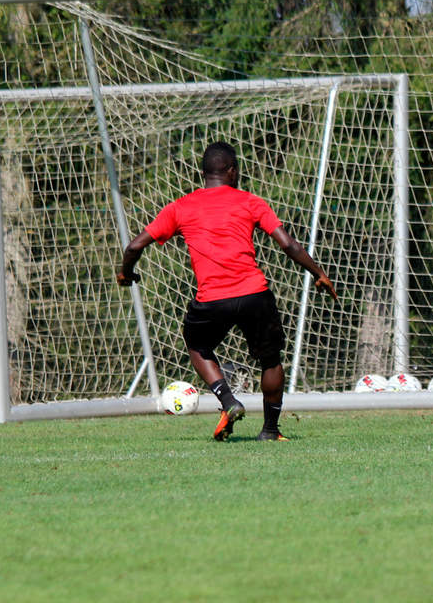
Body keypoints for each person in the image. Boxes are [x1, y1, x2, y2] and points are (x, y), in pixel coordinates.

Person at [117, 142, 338, 442]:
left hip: (212, 299)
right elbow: (289, 245)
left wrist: (126, 273)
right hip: (254, 294)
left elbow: (133, 246)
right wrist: (319, 274)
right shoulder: (251, 202)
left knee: (197, 346)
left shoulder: (181, 207)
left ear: (203, 173)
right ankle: (270, 430)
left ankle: (228, 400)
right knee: (270, 360)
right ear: (233, 171)